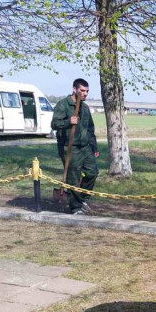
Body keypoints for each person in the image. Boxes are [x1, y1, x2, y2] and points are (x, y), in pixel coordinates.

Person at [51, 78, 99, 215]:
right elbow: (54, 124)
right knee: (73, 177)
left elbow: (90, 129)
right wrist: (69, 121)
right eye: (82, 90)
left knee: (93, 172)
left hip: (85, 147)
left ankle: (82, 199)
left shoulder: (85, 108)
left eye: (87, 91)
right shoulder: (63, 105)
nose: (85, 94)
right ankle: (76, 208)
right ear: (74, 89)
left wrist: (94, 147)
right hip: (70, 146)